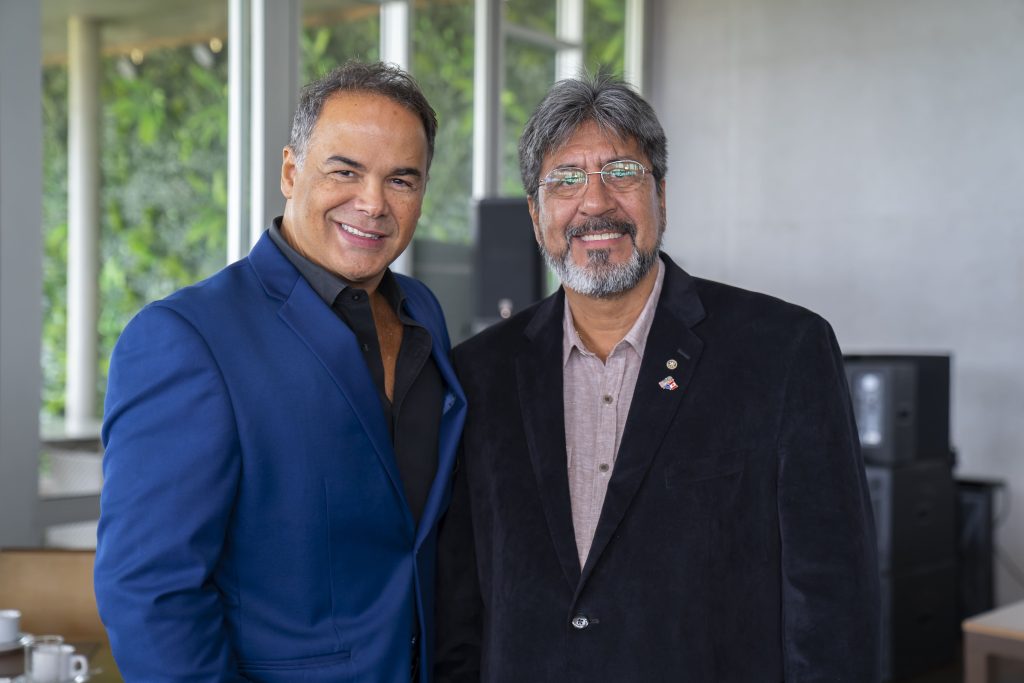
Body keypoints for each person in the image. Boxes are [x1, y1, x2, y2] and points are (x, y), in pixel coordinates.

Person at [435, 74, 880, 682]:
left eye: (622, 172)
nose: (595, 203)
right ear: (536, 216)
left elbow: (832, 604)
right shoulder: (480, 372)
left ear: (661, 198)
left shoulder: (783, 352)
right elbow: (460, 605)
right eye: (565, 179)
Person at [95, 61, 466, 683]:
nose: (372, 203)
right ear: (291, 172)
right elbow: (150, 595)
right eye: (345, 171)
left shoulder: (422, 311)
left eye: (401, 180)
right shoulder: (184, 339)